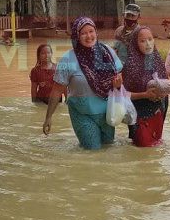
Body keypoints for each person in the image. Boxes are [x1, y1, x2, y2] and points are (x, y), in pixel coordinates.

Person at [42, 17, 123, 150]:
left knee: (109, 148)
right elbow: (57, 90)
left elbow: (120, 76)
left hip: (107, 113)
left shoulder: (107, 52)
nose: (89, 36)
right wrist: (48, 117)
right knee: (93, 150)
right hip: (82, 114)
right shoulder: (67, 59)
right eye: (83, 33)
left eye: (91, 31)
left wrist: (118, 85)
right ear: (76, 36)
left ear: (96, 33)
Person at [122, 27, 170, 147]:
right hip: (139, 113)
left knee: (155, 145)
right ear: (135, 44)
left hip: (157, 110)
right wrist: (145, 95)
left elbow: (166, 84)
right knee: (142, 145)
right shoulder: (129, 65)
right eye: (142, 41)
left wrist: (162, 93)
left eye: (150, 39)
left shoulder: (157, 60)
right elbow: (123, 95)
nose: (148, 44)